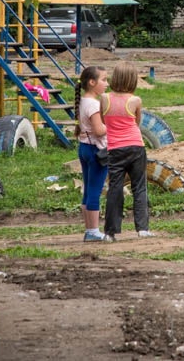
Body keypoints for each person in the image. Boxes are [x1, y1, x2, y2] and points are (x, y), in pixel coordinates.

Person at [102, 62, 153, 242]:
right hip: (135, 146)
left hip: (115, 148)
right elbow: (136, 124)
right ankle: (143, 229)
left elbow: (104, 120)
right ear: (132, 80)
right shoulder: (135, 101)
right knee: (139, 186)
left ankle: (110, 232)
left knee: (115, 188)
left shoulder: (104, 99)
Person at [75, 65, 109, 242]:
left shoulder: (83, 101)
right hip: (97, 151)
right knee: (95, 190)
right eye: (104, 80)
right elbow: (99, 130)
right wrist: (113, 124)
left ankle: (89, 229)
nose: (107, 84)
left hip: (84, 148)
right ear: (92, 82)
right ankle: (94, 231)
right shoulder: (94, 104)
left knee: (88, 190)